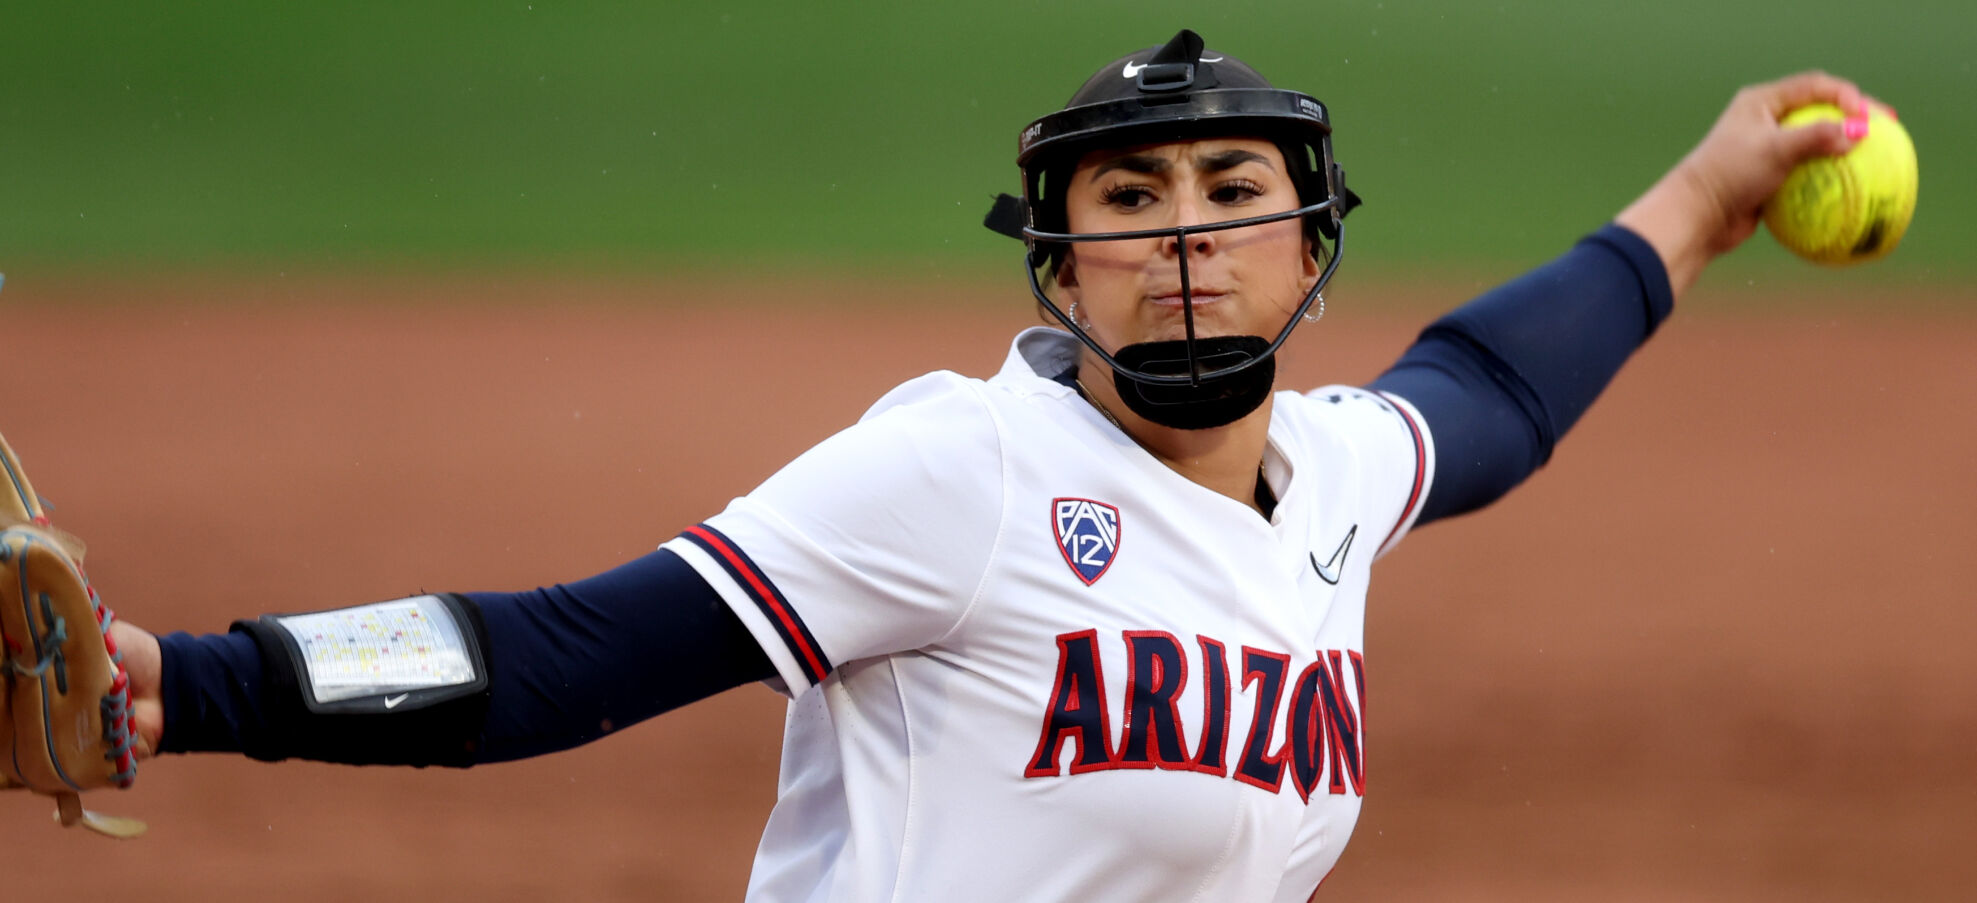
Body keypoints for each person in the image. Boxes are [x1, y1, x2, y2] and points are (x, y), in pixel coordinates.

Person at [109, 29, 1867, 902]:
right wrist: (193, 685)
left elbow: (1489, 388)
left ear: (1305, 242)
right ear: (1057, 261)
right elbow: (566, 655)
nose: (1185, 235)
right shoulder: (965, 473)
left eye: (1231, 190)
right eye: (1128, 199)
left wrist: (1705, 201)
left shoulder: (1331, 479)